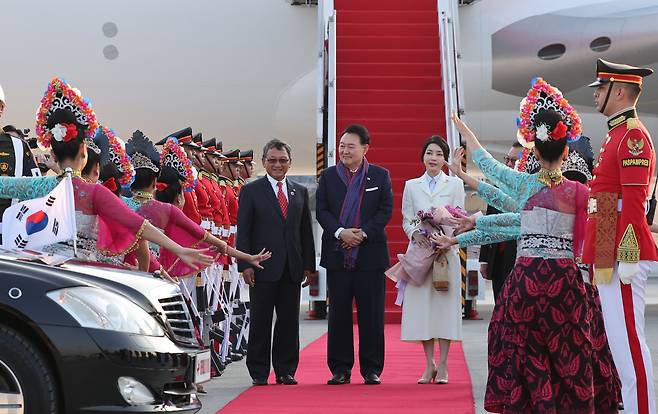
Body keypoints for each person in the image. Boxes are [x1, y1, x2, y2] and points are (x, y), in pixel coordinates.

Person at [434, 78, 620, 412]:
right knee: (571, 347)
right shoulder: (579, 192)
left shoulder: (523, 184)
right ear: (566, 151)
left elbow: (489, 167)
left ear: (533, 149)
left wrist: (465, 131)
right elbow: (602, 222)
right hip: (565, 281)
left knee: (520, 343)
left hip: (527, 282)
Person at [0, 77, 212, 271]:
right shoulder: (93, 193)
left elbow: (4, 185)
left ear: (53, 153)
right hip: (80, 276)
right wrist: (178, 249)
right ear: (84, 151)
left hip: (46, 273)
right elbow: (137, 224)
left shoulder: (41, 186)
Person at [585, 59, 657, 414]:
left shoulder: (631, 136)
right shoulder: (617, 133)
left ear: (621, 91)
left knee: (629, 345)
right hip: (608, 246)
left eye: (601, 88)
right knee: (620, 347)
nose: (597, 94)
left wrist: (627, 256)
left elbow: (633, 203)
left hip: (621, 251)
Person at [316, 124, 393, 385]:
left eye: (350, 146)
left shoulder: (380, 176)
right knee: (338, 315)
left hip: (369, 256)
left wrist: (362, 234)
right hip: (338, 256)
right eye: (341, 146)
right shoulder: (328, 176)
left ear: (365, 148)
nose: (344, 151)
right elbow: (322, 211)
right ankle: (340, 368)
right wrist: (341, 233)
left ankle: (371, 369)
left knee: (371, 316)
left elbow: (385, 210)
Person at [236, 138, 316, 386]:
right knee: (260, 321)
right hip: (262, 267)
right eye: (272, 160)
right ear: (264, 162)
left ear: (290, 163)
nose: (278, 165)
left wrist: (308, 265)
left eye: (282, 160)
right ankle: (259, 372)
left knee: (289, 322)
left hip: (291, 267)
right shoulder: (251, 191)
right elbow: (244, 231)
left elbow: (305, 232)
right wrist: (245, 264)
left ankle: (285, 370)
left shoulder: (299, 191)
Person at [399, 136, 464, 384]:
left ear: (444, 158)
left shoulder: (455, 184)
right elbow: (407, 218)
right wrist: (416, 233)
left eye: (438, 153)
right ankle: (429, 365)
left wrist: (445, 237)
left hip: (445, 253)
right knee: (422, 310)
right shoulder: (412, 185)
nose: (433, 158)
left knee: (444, 309)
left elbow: (460, 217)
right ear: (423, 157)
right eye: (429, 153)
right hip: (420, 253)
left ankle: (445, 365)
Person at [478, 142, 521, 301]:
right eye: (507, 159)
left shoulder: (529, 187)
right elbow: (489, 222)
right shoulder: (497, 186)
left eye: (513, 161)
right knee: (500, 302)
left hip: (518, 256)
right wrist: (484, 259)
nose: (509, 164)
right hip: (498, 256)